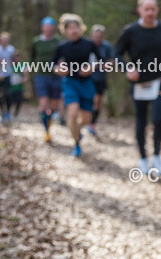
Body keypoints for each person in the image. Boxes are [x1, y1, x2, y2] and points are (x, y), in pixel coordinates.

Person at [114, 0, 161, 176]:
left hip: (160, 80)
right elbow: (117, 54)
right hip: (139, 83)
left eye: (153, 9)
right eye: (146, 9)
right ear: (139, 10)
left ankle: (157, 156)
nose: (150, 12)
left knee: (157, 119)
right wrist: (127, 68)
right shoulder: (130, 31)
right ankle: (143, 158)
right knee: (141, 121)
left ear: (157, 10)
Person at [53, 14, 99, 157]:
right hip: (70, 82)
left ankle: (78, 132)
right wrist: (58, 70)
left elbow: (101, 61)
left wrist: (91, 68)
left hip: (86, 83)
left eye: (76, 27)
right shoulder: (61, 46)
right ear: (65, 31)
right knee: (72, 112)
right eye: (70, 28)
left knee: (85, 119)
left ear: (81, 28)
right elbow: (52, 65)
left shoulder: (89, 44)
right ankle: (77, 143)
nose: (73, 30)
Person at [29, 17, 63, 142]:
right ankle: (46, 132)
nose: (48, 29)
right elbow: (32, 57)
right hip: (41, 75)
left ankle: (49, 125)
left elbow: (63, 56)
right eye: (46, 26)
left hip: (55, 76)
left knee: (54, 106)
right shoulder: (36, 41)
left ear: (53, 28)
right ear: (42, 27)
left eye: (50, 26)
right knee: (43, 104)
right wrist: (28, 67)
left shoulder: (59, 41)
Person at [87, 24, 115, 136]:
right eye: (95, 36)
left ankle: (92, 124)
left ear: (103, 36)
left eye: (99, 36)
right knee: (91, 100)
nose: (97, 38)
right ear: (91, 35)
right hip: (87, 78)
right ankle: (85, 120)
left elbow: (112, 60)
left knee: (98, 102)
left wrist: (106, 65)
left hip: (100, 78)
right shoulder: (86, 45)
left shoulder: (106, 46)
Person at [8, 53, 25, 117]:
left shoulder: (22, 64)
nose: (16, 59)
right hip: (11, 87)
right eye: (15, 57)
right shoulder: (10, 64)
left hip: (19, 86)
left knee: (19, 100)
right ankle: (8, 112)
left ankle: (16, 112)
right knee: (10, 100)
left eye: (18, 57)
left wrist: (24, 78)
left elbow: (26, 73)